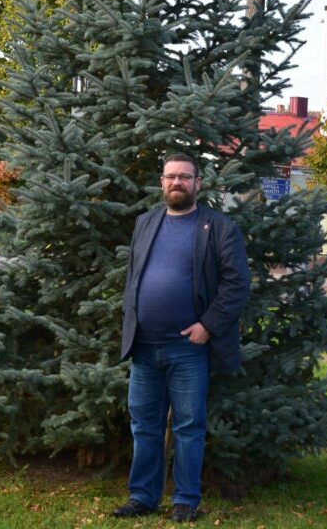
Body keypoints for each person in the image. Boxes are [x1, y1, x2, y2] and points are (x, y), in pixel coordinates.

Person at [114, 152, 250, 523]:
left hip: (188, 349)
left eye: (185, 177)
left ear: (198, 184)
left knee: (189, 426)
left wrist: (207, 325)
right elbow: (133, 276)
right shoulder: (145, 222)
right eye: (171, 177)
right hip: (143, 347)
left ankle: (186, 501)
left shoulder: (218, 227)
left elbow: (237, 284)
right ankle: (142, 496)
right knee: (144, 425)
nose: (177, 183)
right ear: (162, 182)